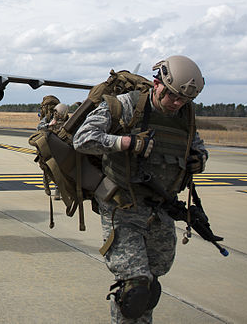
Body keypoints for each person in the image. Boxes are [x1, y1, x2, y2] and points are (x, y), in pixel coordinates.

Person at [73, 56, 208, 323]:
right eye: (173, 96)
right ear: (157, 84)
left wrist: (199, 159)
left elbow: (198, 147)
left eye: (183, 99)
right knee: (134, 287)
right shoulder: (125, 106)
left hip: (161, 209)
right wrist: (125, 143)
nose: (177, 104)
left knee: (151, 283)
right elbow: (82, 139)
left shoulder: (184, 116)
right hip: (123, 206)